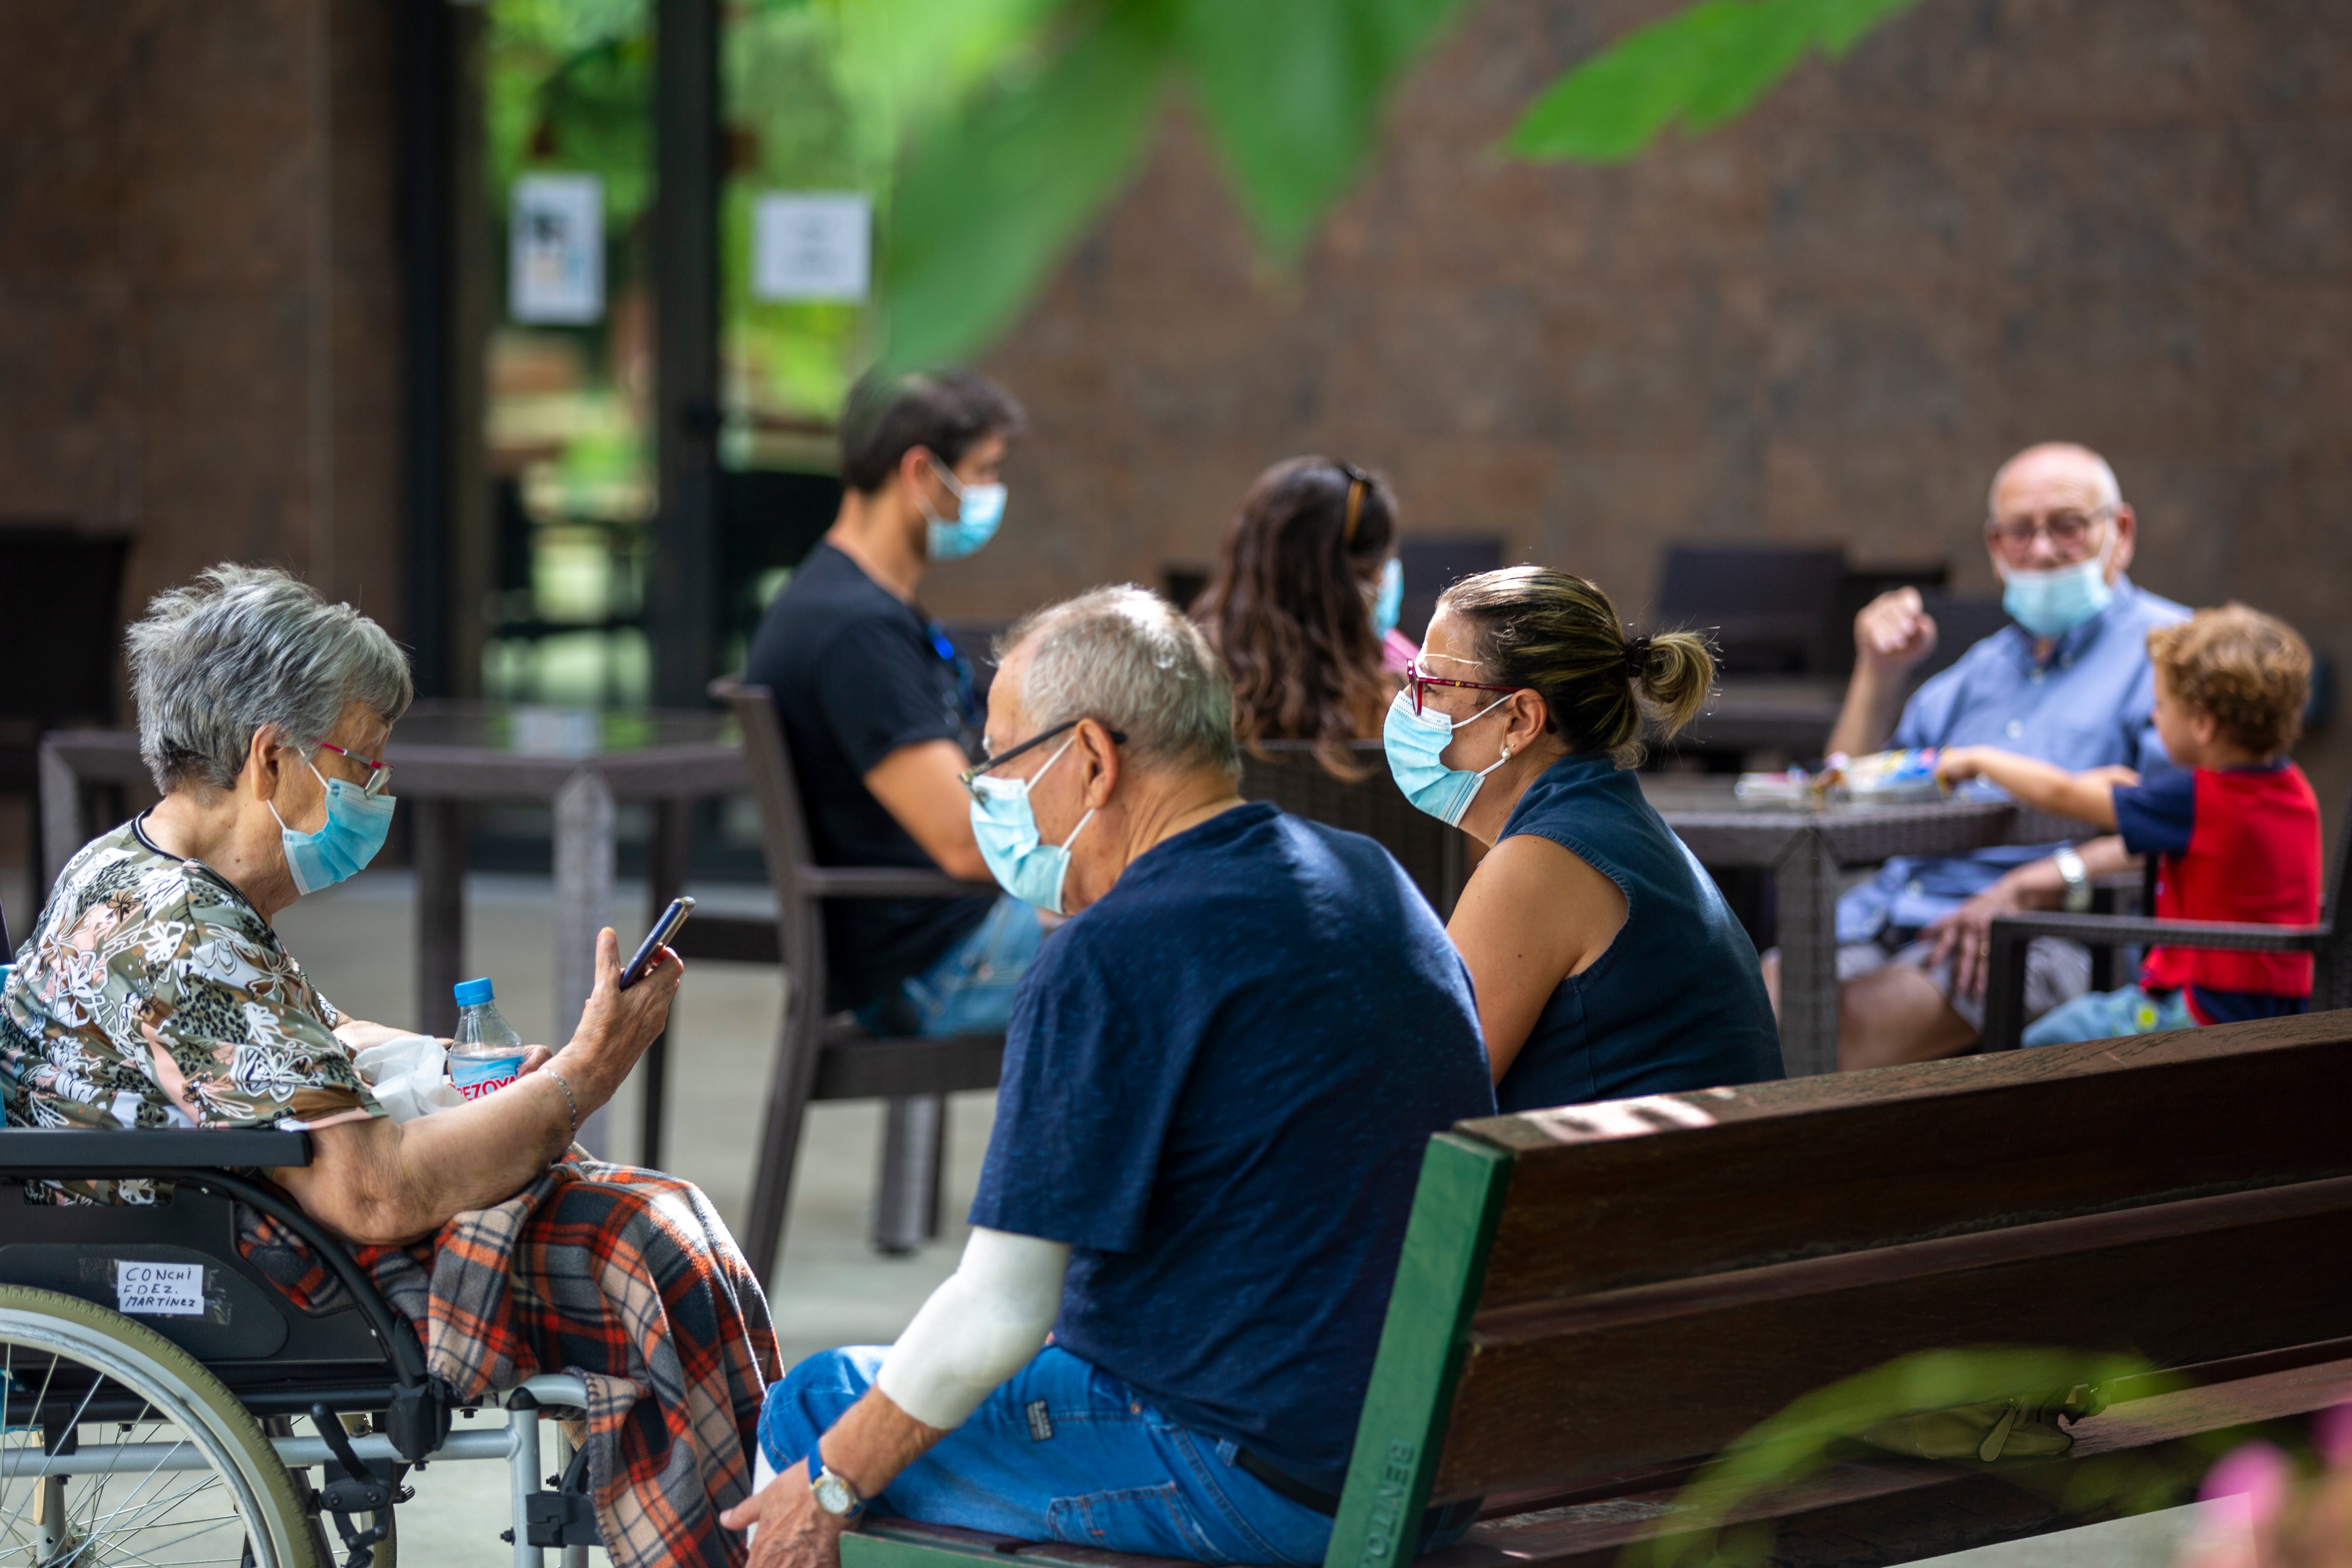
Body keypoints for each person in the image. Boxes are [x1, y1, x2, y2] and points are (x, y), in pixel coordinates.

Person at [0, 566, 774, 1568]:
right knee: (648, 1242)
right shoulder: (179, 931)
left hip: (206, 1209)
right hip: (216, 1251)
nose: (380, 788)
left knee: (641, 1210)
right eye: (361, 763)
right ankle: (734, 1540)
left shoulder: (130, 868)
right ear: (270, 759)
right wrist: (581, 1075)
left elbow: (310, 1038)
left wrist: (475, 1071)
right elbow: (372, 1192)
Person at [722, 587, 1496, 1568]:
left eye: (997, 762)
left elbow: (1001, 1308)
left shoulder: (1111, 950)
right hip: (1432, 1462)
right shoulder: (1370, 877)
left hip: (1258, 1481)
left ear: (1091, 757)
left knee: (819, 1406)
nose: (987, 797)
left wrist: (834, 1478)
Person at [1804, 442, 2190, 1068]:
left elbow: (2194, 826)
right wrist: (1877, 673)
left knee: (1835, 1032)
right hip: (1892, 914)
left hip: (2051, 932)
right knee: (1744, 1008)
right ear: (1994, 546)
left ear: (2119, 532)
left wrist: (2031, 887)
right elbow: (1842, 791)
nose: (2040, 550)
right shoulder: (1981, 669)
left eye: (2066, 525)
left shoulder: (2173, 656)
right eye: (2019, 532)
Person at [1393, 566, 1783, 1110]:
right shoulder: (1598, 817)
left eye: (1430, 686)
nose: (1408, 704)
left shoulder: (1538, 864)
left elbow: (1417, 1097)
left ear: (1520, 719)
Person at [741, 367, 1037, 1040]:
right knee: (1173, 933)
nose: (992, 494)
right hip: (935, 965)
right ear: (920, 474)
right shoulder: (854, 631)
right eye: (984, 472)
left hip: (936, 942)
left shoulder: (856, 602)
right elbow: (964, 842)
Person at [1934, 604, 2320, 1045]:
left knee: (2044, 1041)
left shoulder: (2198, 801)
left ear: (2203, 724)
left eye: (2161, 705)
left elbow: (2063, 795)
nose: (2155, 717)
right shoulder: (2292, 790)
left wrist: (1981, 759)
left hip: (2203, 1015)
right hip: (2282, 1013)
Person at [1193, 456, 1407, 778]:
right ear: (1354, 586)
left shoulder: (1188, 691)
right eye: (1382, 565)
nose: (1386, 580)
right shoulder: (1391, 713)